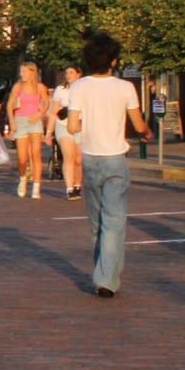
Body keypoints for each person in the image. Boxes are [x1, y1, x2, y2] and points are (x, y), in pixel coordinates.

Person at [64, 33, 149, 298]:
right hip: (115, 159)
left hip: (90, 158)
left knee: (96, 222)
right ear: (112, 61)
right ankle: (107, 277)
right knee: (114, 221)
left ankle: (104, 271)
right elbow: (138, 124)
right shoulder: (124, 88)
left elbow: (72, 125)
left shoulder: (79, 87)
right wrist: (147, 132)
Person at [6, 62, 50, 201]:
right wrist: (12, 121)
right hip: (20, 120)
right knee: (22, 157)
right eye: (21, 71)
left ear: (32, 72)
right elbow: (10, 104)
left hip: (34, 121)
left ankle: (36, 187)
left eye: (24, 71)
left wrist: (39, 114)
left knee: (36, 153)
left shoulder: (40, 87)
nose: (21, 74)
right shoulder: (17, 87)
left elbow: (47, 103)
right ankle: (23, 179)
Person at [49, 65, 85, 200]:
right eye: (66, 73)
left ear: (78, 74)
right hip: (63, 125)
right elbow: (54, 111)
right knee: (68, 156)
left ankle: (77, 185)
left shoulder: (85, 90)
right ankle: (70, 189)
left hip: (80, 126)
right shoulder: (61, 90)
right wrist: (49, 131)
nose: (68, 75)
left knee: (78, 159)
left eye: (71, 72)